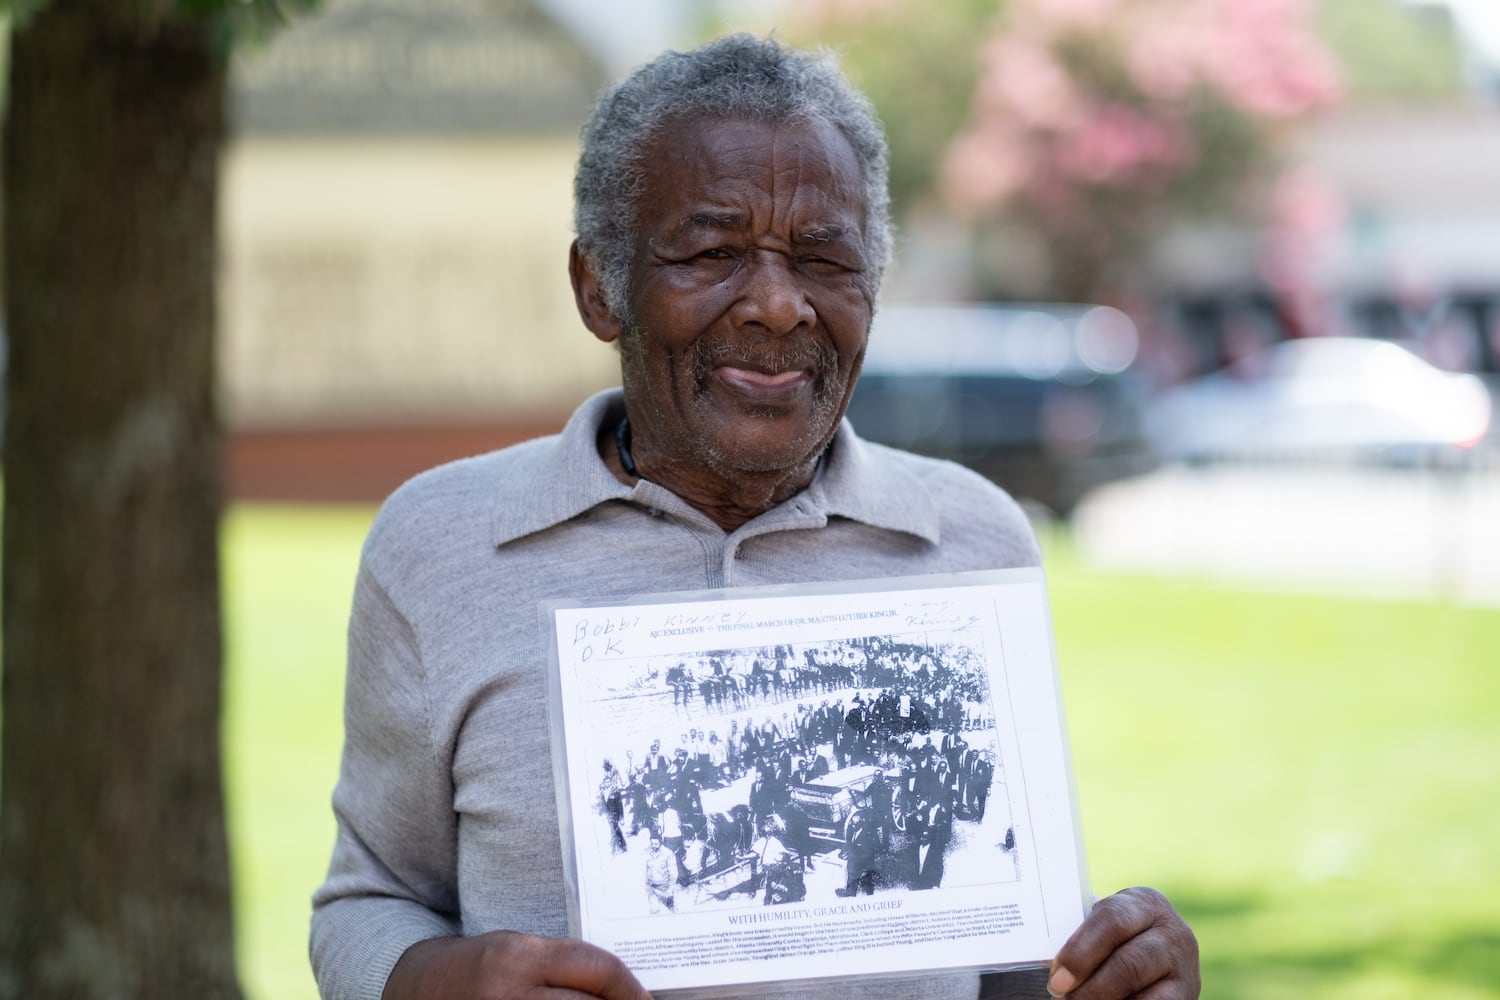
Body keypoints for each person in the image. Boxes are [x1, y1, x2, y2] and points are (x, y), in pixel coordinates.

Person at [309, 32, 1200, 1000]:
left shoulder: (970, 538)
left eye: (826, 258)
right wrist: (435, 980)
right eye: (709, 252)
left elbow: (1003, 957)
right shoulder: (442, 543)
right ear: (598, 288)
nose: (778, 305)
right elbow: (371, 896)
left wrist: (1110, 974)